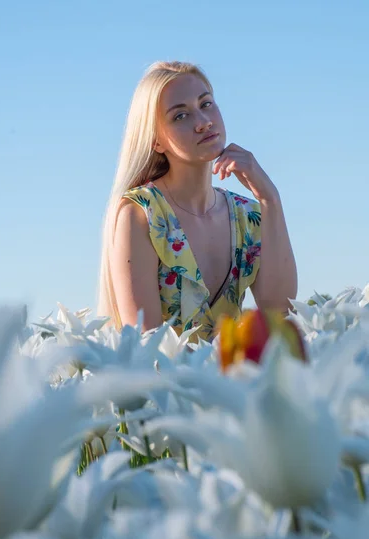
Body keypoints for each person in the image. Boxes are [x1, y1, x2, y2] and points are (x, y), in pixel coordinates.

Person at [97, 61, 297, 343]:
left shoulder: (247, 215)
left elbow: (280, 317)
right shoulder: (142, 213)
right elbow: (147, 345)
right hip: (167, 386)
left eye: (206, 104)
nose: (204, 122)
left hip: (234, 385)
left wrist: (270, 198)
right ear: (156, 141)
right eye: (180, 116)